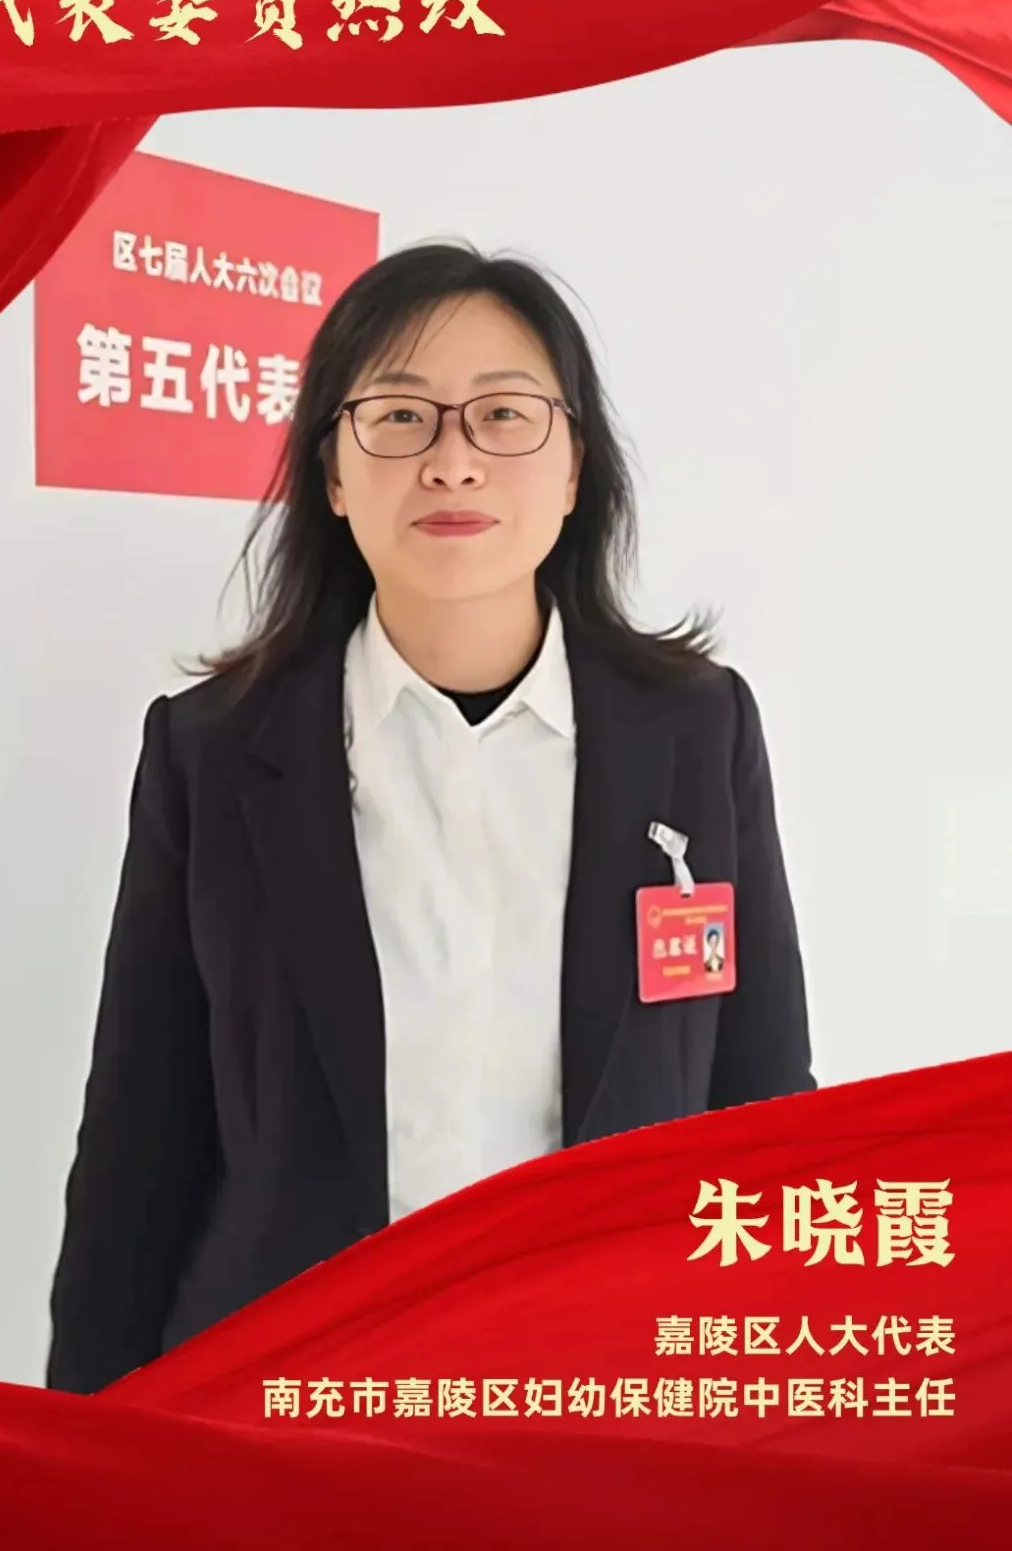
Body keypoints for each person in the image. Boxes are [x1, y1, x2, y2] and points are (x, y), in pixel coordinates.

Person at [46, 241, 814, 1395]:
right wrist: (83, 1453)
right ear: (333, 472)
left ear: (574, 467)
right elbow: (138, 1143)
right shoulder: (214, 752)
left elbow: (762, 1102)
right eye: (400, 417)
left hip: (612, 1396)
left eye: (504, 415)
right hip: (295, 1399)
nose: (453, 462)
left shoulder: (695, 732)